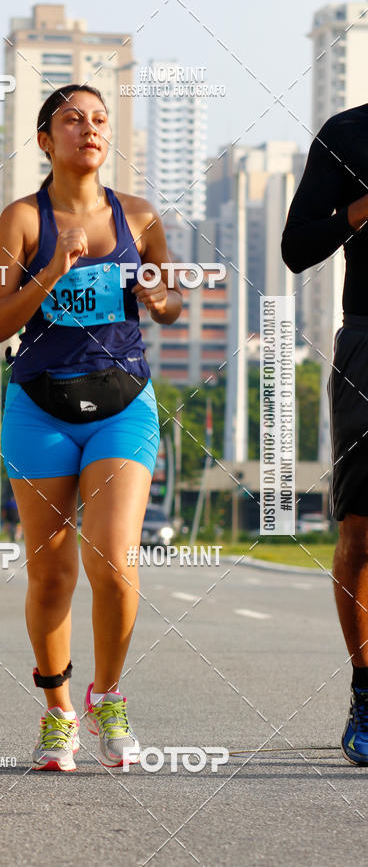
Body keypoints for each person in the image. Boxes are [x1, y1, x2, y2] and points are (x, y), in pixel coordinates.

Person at [0, 84, 182, 771]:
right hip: (39, 407)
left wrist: (162, 298)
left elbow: (171, 304)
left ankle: (110, 695)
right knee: (51, 574)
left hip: (124, 403)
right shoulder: (21, 222)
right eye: (72, 119)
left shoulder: (141, 216)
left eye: (99, 119)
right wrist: (51, 274)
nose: (88, 129)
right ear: (45, 139)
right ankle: (59, 712)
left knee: (116, 565)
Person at [282, 101, 368, 766]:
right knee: (361, 532)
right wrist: (358, 214)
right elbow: (295, 247)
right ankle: (366, 692)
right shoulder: (347, 134)